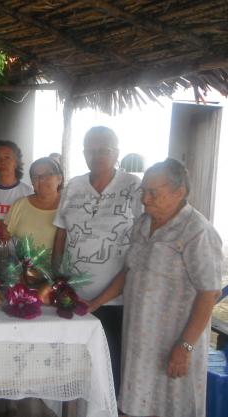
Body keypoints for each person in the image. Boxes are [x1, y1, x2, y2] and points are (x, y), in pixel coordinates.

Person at [89, 159, 222, 417]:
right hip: (139, 340)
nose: (145, 200)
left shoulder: (197, 231)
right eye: (143, 191)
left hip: (174, 342)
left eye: (153, 193)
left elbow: (210, 292)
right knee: (134, 404)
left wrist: (185, 347)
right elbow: (129, 272)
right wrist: (93, 304)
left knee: (172, 407)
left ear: (179, 192)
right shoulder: (142, 224)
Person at [52, 126, 142, 395]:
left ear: (117, 152)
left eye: (104, 149)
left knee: (111, 368)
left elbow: (140, 247)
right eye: (91, 149)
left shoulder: (134, 187)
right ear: (83, 153)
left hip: (115, 301)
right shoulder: (73, 187)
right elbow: (60, 234)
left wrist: (99, 302)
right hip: (74, 298)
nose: (97, 155)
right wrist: (57, 279)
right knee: (73, 367)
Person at [4, 156, 63, 251]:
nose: (41, 179)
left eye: (48, 174)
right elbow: (5, 238)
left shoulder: (69, 207)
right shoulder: (20, 205)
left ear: (59, 179)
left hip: (59, 266)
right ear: (32, 182)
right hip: (22, 265)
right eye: (35, 177)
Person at [0, 140, 33, 238]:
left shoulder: (28, 192)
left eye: (7, 157)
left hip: (19, 250)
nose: (2, 162)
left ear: (16, 162)